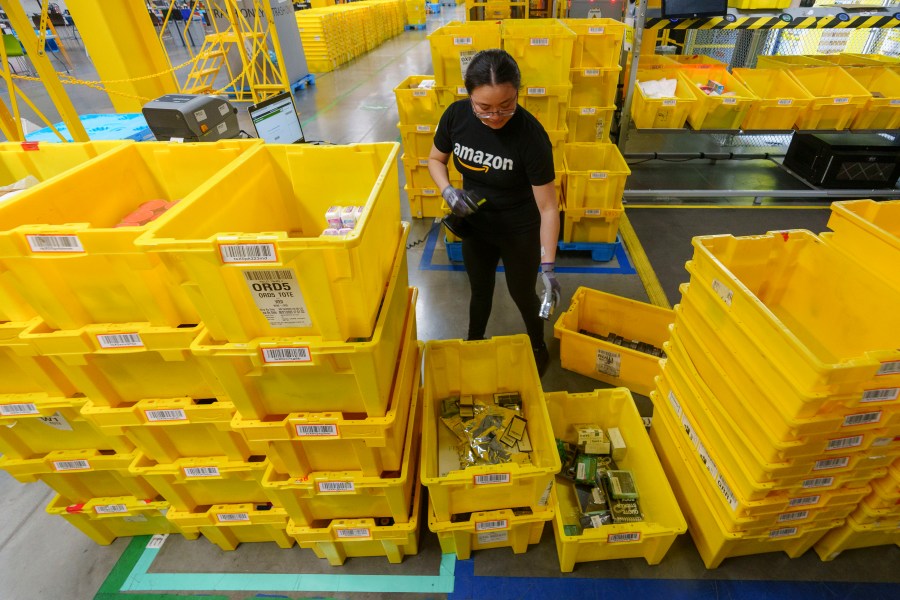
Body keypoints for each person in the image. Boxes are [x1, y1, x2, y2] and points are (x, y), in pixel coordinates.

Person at [427, 48, 560, 376]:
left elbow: (548, 207)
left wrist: (548, 267)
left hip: (519, 229)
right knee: (480, 289)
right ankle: (474, 340)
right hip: (477, 226)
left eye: (506, 105)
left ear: (518, 93)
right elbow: (435, 159)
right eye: (484, 108)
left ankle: (537, 345)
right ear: (469, 95)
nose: (496, 116)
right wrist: (448, 191)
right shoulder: (456, 117)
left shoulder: (530, 136)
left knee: (522, 293)